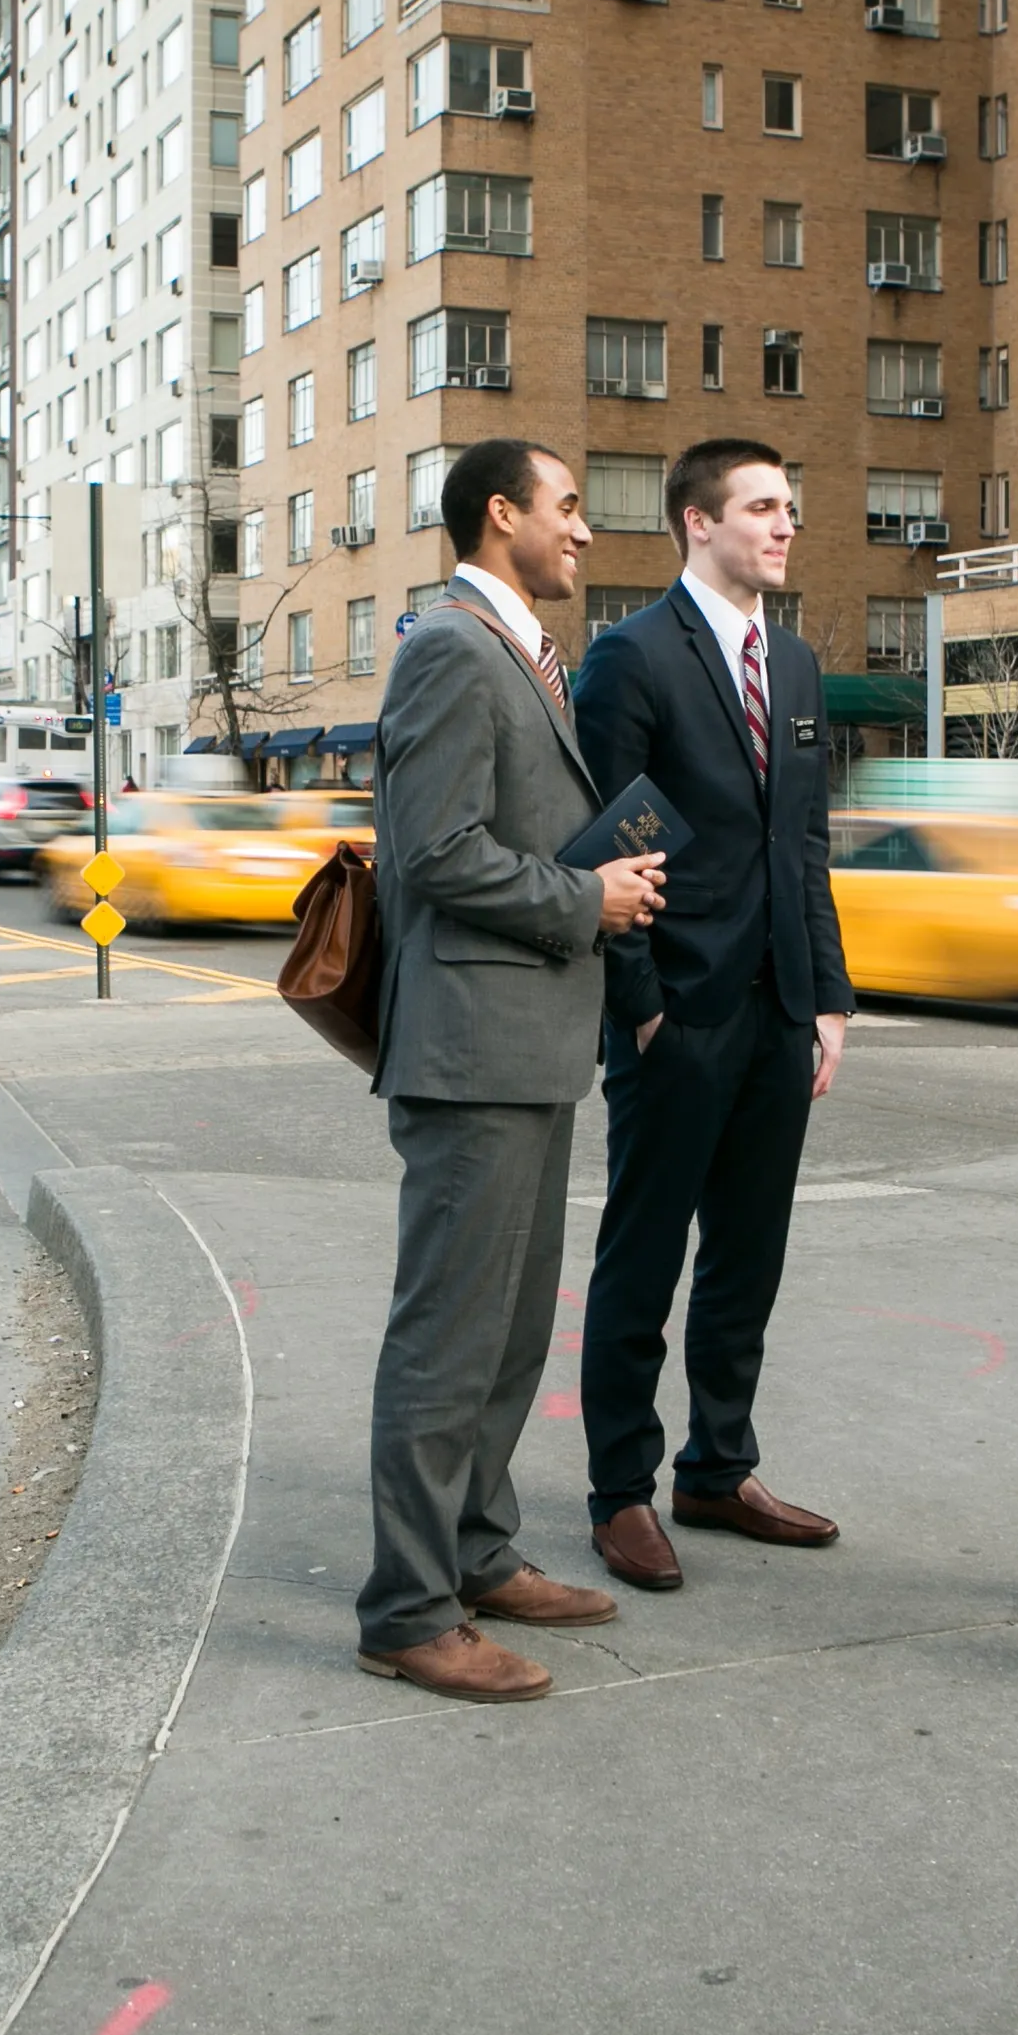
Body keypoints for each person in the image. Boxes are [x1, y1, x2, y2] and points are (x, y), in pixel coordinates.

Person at [355, 438, 668, 1703]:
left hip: (531, 1048)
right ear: (502, 514)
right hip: (471, 1053)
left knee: (512, 1332)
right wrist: (585, 899)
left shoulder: (524, 655)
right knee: (448, 1336)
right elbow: (435, 852)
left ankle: (477, 1551)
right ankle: (408, 1608)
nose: (584, 531)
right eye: (568, 507)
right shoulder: (450, 648)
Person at [568, 440, 853, 1593]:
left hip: (779, 1008)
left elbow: (805, 842)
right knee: (643, 1259)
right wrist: (640, 1009)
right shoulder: (631, 657)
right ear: (698, 520)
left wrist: (827, 996)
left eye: (790, 506)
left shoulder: (795, 663)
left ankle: (718, 1468)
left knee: (748, 1256)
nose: (785, 525)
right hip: (676, 1014)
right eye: (763, 506)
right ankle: (621, 1492)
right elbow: (606, 844)